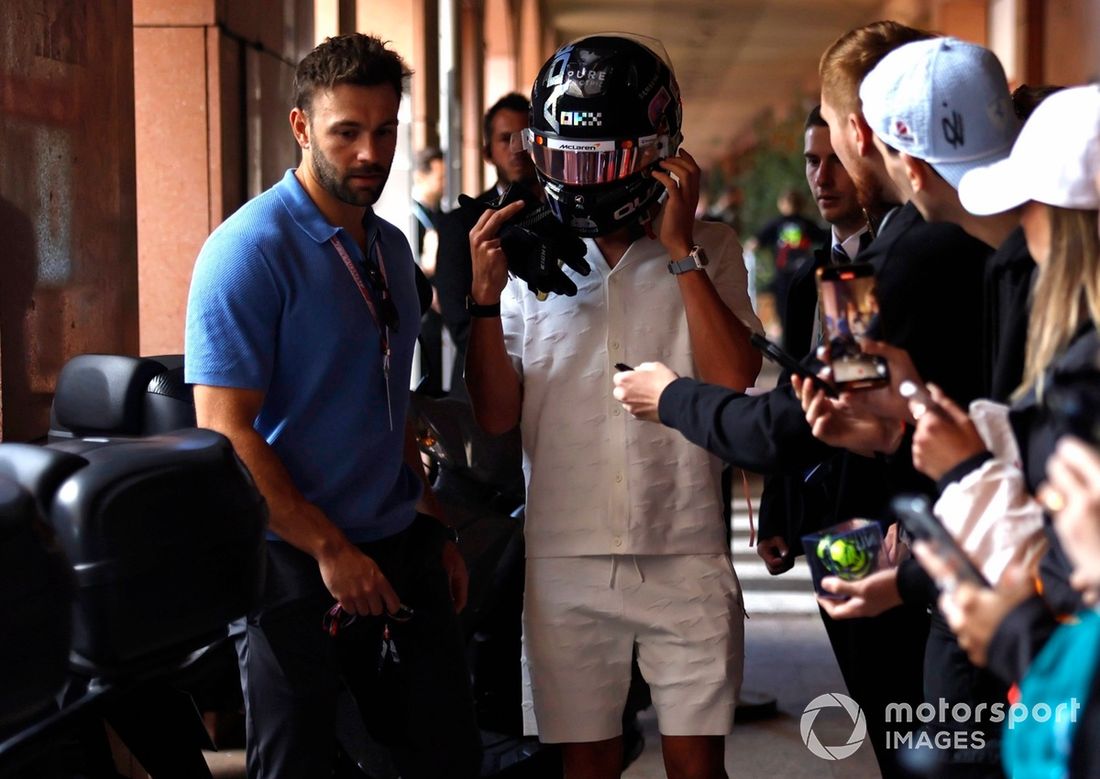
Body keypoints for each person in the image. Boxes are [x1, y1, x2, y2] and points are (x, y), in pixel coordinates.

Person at [184, 33, 479, 778]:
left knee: (445, 755)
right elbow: (224, 427)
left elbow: (389, 399)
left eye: (384, 131)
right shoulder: (249, 249)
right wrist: (327, 548)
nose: (369, 153)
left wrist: (430, 518)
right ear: (302, 127)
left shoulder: (388, 248)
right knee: (300, 765)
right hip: (291, 554)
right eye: (346, 131)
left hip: (397, 539)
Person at [466, 34, 761, 779]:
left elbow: (732, 382)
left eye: (602, 161)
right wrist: (479, 302)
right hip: (565, 555)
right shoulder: (530, 261)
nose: (582, 181)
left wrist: (682, 249)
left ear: (661, 155)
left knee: (699, 768)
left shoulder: (712, 247)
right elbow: (497, 417)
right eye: (566, 161)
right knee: (586, 766)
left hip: (687, 545)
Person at [434, 92, 540, 398]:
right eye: (506, 139)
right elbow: (459, 323)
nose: (517, 149)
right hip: (482, 393)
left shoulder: (571, 219)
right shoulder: (460, 223)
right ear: (487, 152)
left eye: (526, 138)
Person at [412, 146, 447, 395]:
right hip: (423, 310)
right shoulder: (409, 216)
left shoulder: (440, 214)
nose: (444, 184)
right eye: (440, 177)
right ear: (422, 176)